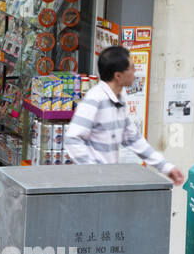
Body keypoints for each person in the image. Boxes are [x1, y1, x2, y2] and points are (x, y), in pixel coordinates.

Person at [65, 46, 185, 186]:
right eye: (131, 68)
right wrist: (94, 172)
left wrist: (166, 167)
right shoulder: (95, 99)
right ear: (118, 75)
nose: (135, 72)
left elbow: (133, 139)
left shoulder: (118, 101)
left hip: (105, 183)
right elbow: (72, 139)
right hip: (91, 185)